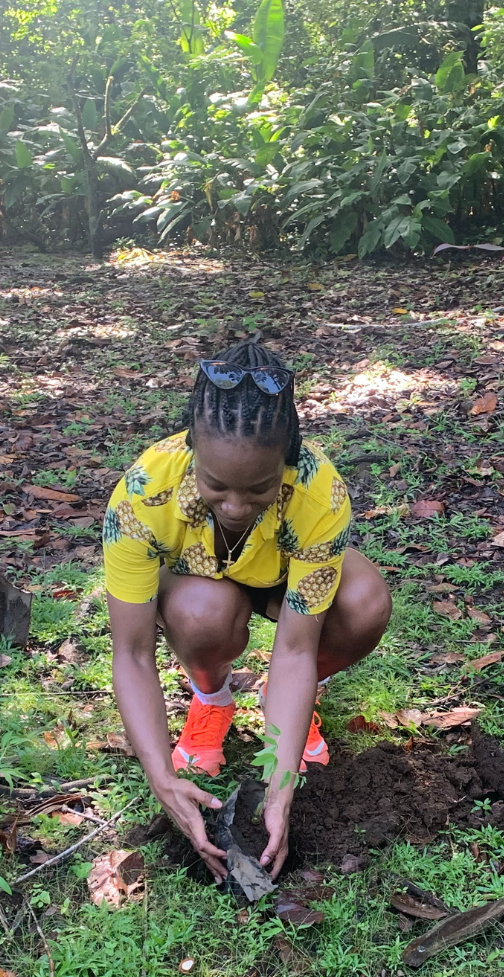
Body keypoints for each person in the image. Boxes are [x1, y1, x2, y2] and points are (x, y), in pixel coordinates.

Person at [102, 339, 393, 882]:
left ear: (285, 464)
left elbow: (296, 647)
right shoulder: (143, 495)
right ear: (192, 452)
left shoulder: (318, 492)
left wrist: (281, 790)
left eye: (259, 489)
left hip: (283, 581)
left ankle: (288, 706)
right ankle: (211, 699)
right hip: (204, 585)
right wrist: (161, 777)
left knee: (364, 601)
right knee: (202, 611)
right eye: (215, 485)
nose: (236, 507)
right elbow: (133, 653)